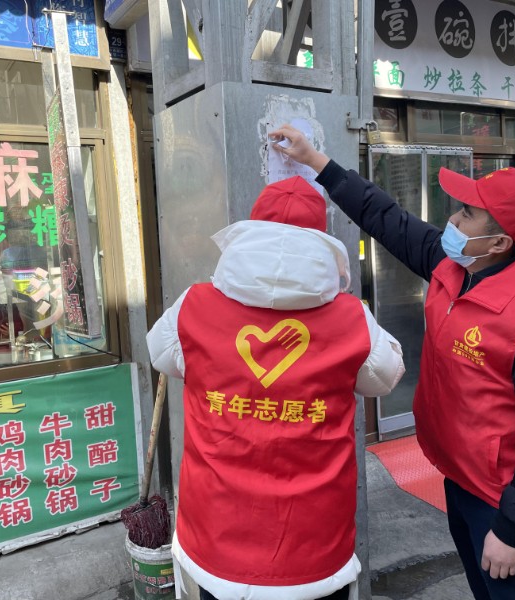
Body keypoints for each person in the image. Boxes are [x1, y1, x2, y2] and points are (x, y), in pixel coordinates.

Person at [270, 124, 515, 600]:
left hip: (505, 500)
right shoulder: (455, 265)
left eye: (467, 214)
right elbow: (386, 217)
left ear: (500, 243)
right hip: (460, 478)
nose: (453, 220)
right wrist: (315, 160)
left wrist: (514, 530)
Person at [146, 176, 405, 600]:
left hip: (216, 538)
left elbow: (160, 355)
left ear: (251, 230)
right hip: (314, 545)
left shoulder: (193, 306)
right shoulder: (352, 319)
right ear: (321, 240)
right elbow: (386, 377)